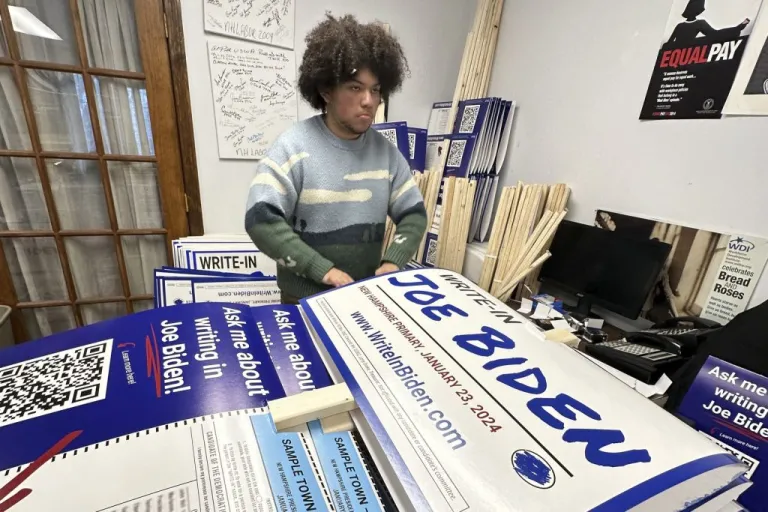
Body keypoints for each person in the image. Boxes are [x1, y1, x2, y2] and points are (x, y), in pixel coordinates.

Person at [245, 14, 427, 304]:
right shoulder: (292, 148)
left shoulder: (387, 155)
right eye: (355, 87)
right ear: (326, 90)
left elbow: (414, 215)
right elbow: (261, 221)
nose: (369, 100)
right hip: (302, 302)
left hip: (363, 297)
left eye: (376, 90)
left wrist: (394, 261)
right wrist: (323, 271)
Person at [667, 0, 749, 45]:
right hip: (686, 49)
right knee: (710, 38)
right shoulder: (699, 23)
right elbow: (715, 34)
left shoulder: (680, 25)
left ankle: (738, 28)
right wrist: (737, 29)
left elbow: (668, 43)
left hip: (685, 51)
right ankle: (738, 28)